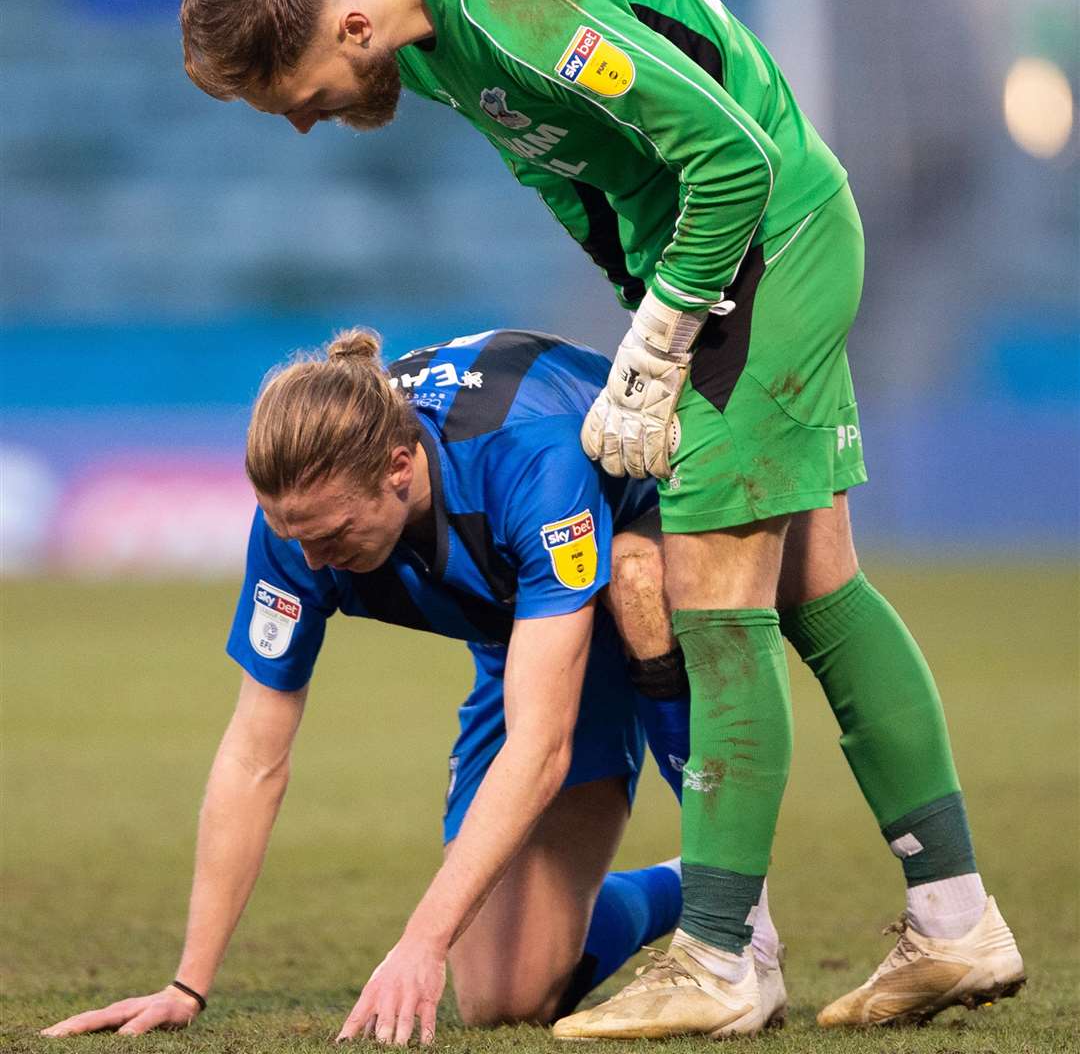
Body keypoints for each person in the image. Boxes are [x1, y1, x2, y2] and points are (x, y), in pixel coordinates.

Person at [178, 0, 1025, 1037]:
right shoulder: (428, 39)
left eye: (298, 96)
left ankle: (723, 957)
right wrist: (643, 312)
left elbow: (733, 153)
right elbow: (584, 179)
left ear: (354, 25)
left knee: (711, 595)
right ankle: (955, 920)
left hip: (760, 246)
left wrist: (666, 338)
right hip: (722, 263)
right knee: (818, 589)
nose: (304, 125)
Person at [41, 326, 788, 1045]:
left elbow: (541, 747)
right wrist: (188, 985)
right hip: (518, 632)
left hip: (640, 553)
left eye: (331, 537)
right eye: (292, 535)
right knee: (504, 997)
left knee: (636, 577)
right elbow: (252, 758)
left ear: (400, 468)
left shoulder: (529, 459)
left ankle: (733, 908)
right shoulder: (301, 527)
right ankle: (686, 881)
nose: (312, 561)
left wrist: (419, 941)